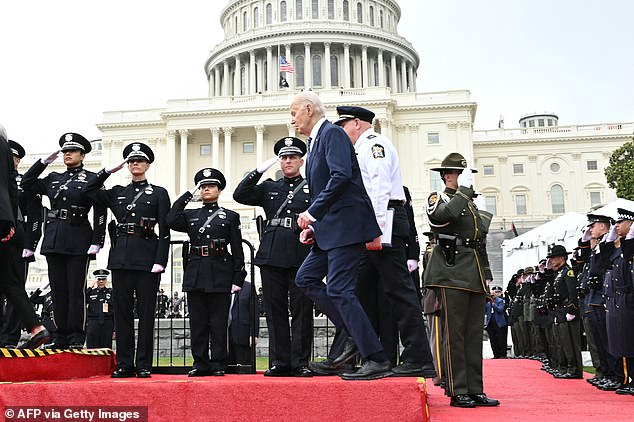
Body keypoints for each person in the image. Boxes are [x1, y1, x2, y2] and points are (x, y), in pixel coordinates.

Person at [290, 92, 391, 381]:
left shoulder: (332, 133)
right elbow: (328, 185)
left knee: (339, 291)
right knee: (305, 279)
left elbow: (341, 176)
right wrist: (315, 226)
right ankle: (352, 329)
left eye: (295, 112)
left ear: (309, 109)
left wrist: (312, 214)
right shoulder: (316, 142)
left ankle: (376, 357)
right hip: (329, 229)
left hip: (347, 227)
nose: (293, 118)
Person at [334, 105, 435, 377]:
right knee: (363, 291)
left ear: (357, 123)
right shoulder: (362, 148)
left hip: (384, 219)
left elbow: (378, 187)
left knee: (399, 292)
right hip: (375, 221)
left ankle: (419, 358)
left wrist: (375, 229)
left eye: (343, 126)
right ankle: (369, 356)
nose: (342, 132)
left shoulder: (374, 145)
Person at [84, 142, 170, 378]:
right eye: (131, 161)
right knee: (121, 314)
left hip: (147, 258)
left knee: (146, 314)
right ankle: (124, 363)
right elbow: (88, 192)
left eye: (139, 160)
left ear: (147, 165)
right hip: (121, 258)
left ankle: (143, 364)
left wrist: (160, 260)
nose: (135, 164)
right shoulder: (117, 192)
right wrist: (108, 171)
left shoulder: (159, 193)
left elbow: (165, 230)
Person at [423, 152, 499, 407]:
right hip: (450, 272)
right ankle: (457, 389)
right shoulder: (439, 198)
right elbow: (442, 216)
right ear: (446, 176)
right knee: (454, 334)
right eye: (458, 173)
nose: (464, 178)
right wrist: (463, 191)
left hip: (473, 273)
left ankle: (475, 387)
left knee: (474, 334)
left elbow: (480, 241)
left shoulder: (471, 204)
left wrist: (486, 275)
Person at [233, 136, 313, 377]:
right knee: (274, 310)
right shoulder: (268, 186)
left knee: (302, 310)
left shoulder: (313, 186)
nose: (288, 161)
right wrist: (258, 170)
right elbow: (240, 194)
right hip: (272, 254)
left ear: (301, 160)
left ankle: (300, 362)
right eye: (284, 157)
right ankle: (280, 362)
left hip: (302, 253)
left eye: (292, 157)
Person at [21, 133, 106, 349]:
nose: (67, 154)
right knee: (58, 290)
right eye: (65, 151)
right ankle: (60, 335)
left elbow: (100, 210)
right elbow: (27, 183)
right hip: (54, 238)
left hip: (78, 238)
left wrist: (98, 239)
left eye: (73, 151)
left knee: (75, 291)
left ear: (83, 155)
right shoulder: (53, 178)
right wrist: (42, 163)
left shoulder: (91, 179)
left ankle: (77, 336)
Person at [166, 168, 246, 377]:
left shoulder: (229, 216)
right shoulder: (191, 215)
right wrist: (187, 195)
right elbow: (171, 219)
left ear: (219, 190)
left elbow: (237, 249)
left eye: (210, 186)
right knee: (198, 323)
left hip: (220, 272)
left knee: (218, 322)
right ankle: (200, 363)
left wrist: (238, 277)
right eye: (202, 186)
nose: (206, 189)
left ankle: (219, 363)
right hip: (196, 273)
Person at [0, 124, 50, 349]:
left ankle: (26, 331)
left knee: (11, 282)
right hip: (10, 225)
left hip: (8, 226)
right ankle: (35, 327)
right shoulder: (8, 165)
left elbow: (35, 213)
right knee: (10, 282)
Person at [544, 244, 583, 379]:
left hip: (567, 309)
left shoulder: (568, 272)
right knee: (563, 342)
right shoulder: (559, 273)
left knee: (571, 342)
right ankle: (566, 367)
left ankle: (574, 369)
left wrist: (571, 309)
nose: (552, 260)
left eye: (554, 258)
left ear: (562, 258)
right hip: (560, 311)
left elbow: (572, 292)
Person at [228, 280, 260, 366]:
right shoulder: (221, 284)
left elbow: (254, 312)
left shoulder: (248, 287)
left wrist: (254, 334)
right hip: (225, 337)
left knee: (244, 367)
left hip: (242, 334)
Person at [85, 269, 114, 349]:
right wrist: (90, 287)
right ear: (96, 280)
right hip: (93, 322)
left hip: (107, 322)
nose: (101, 281)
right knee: (92, 347)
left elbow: (115, 310)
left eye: (103, 279)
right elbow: (82, 300)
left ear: (106, 280)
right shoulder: (91, 292)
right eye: (99, 279)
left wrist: (114, 329)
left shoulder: (111, 292)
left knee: (106, 348)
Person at [485, 286, 508, 358]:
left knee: (501, 339)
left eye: (497, 292)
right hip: (491, 322)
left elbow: (500, 310)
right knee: (493, 340)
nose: (495, 294)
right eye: (494, 292)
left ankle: (503, 355)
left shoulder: (500, 301)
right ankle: (496, 354)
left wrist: (493, 304)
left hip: (499, 323)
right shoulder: (487, 302)